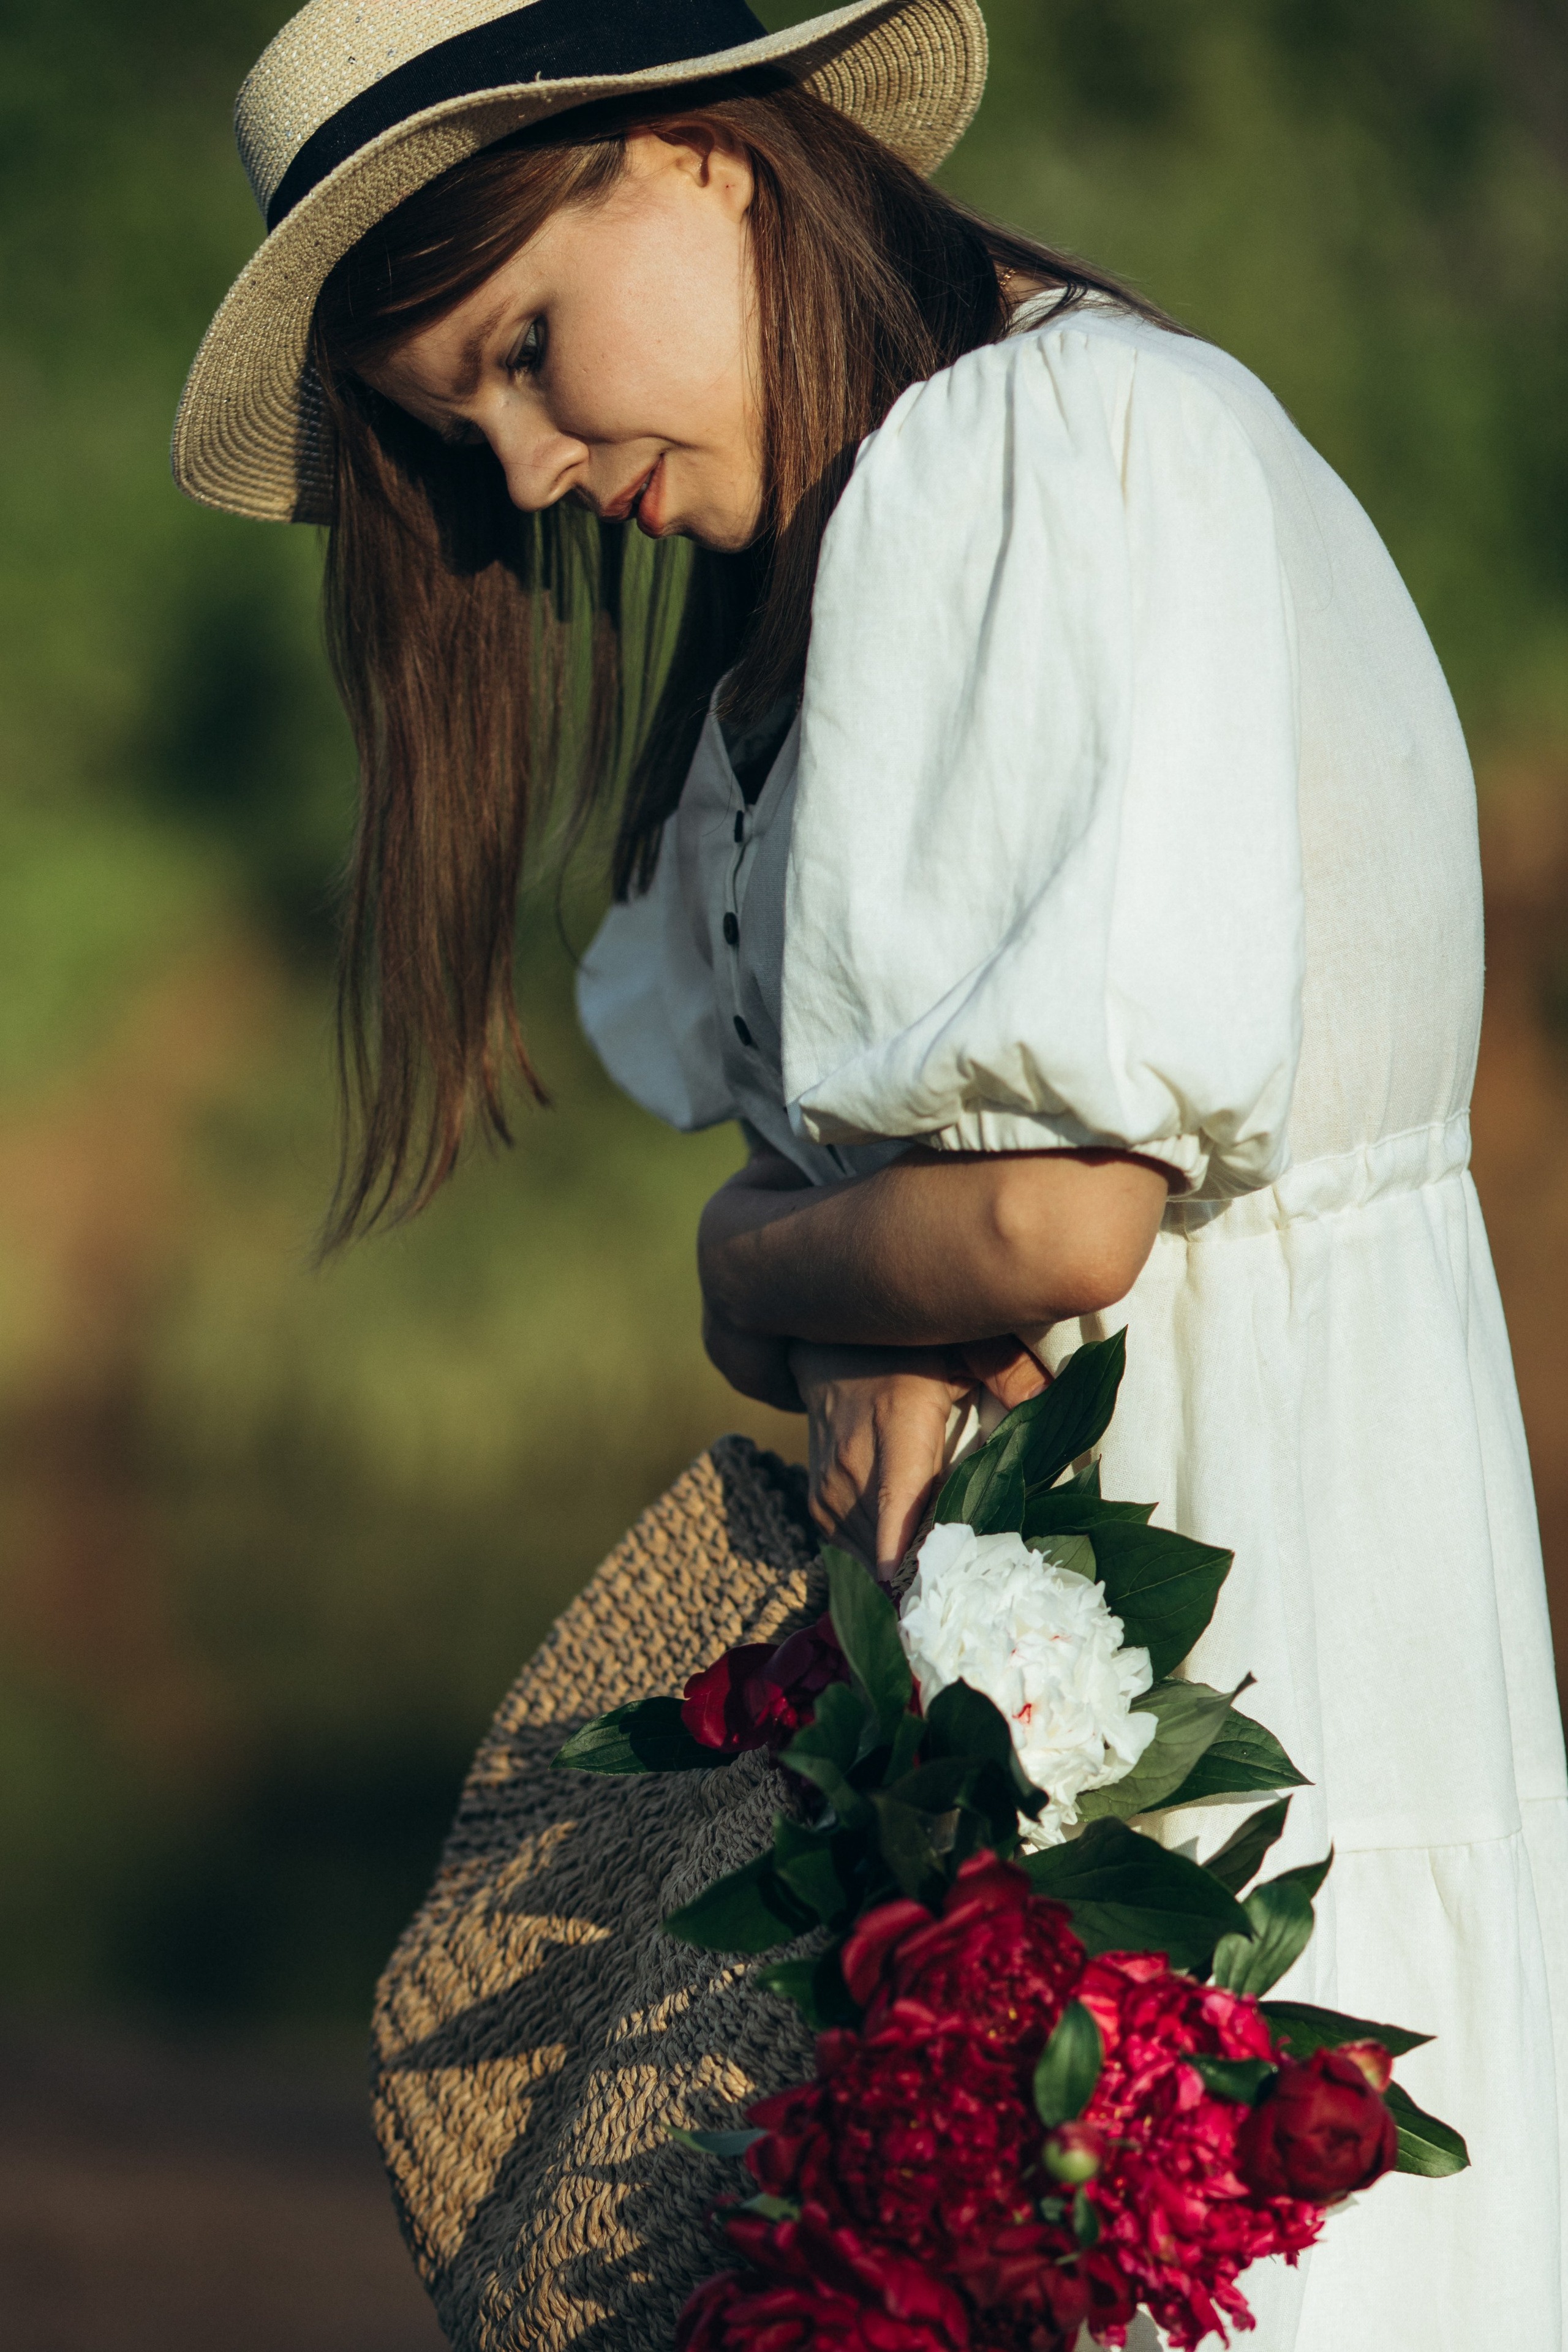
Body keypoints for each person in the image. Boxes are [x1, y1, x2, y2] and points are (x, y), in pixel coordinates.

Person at [175, 1, 1566, 2343]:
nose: (519, 471)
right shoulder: (901, 535)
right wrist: (836, 1290)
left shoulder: (1053, 450)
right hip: (1131, 1720)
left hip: (1255, 1678)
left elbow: (1052, 1221)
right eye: (458, 424)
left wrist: (758, 1270)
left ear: (706, 153)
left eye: (525, 343)